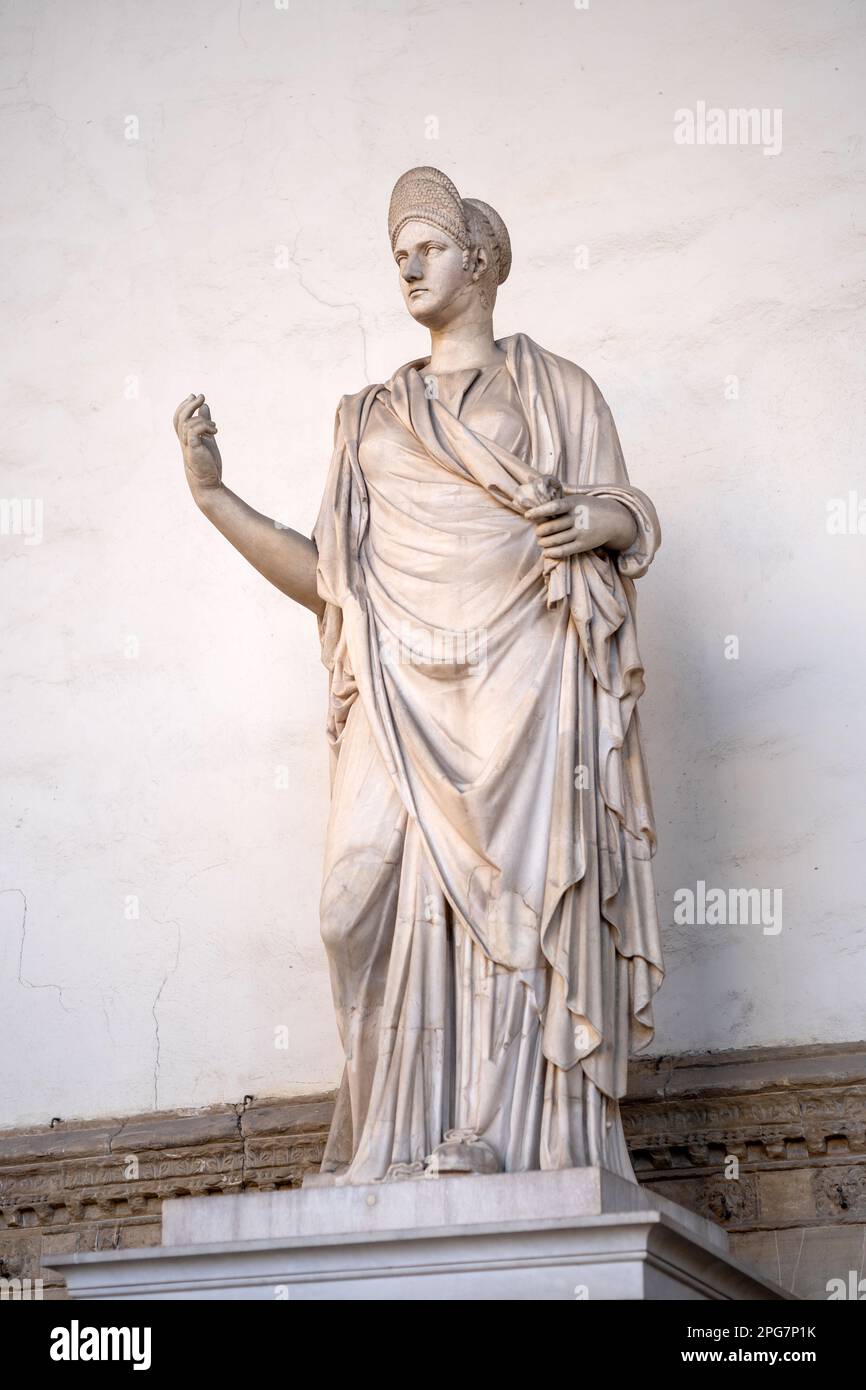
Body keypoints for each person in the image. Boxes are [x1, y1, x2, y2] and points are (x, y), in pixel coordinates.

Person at [174, 166, 664, 1186]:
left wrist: (595, 521)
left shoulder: (554, 388)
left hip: (522, 669)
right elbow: (328, 581)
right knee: (348, 906)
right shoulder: (365, 416)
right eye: (397, 247)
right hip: (396, 682)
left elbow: (625, 511)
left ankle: (495, 1124)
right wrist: (215, 498)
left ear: (481, 264)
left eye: (428, 245)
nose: (406, 261)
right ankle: (384, 1134)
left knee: (516, 895)